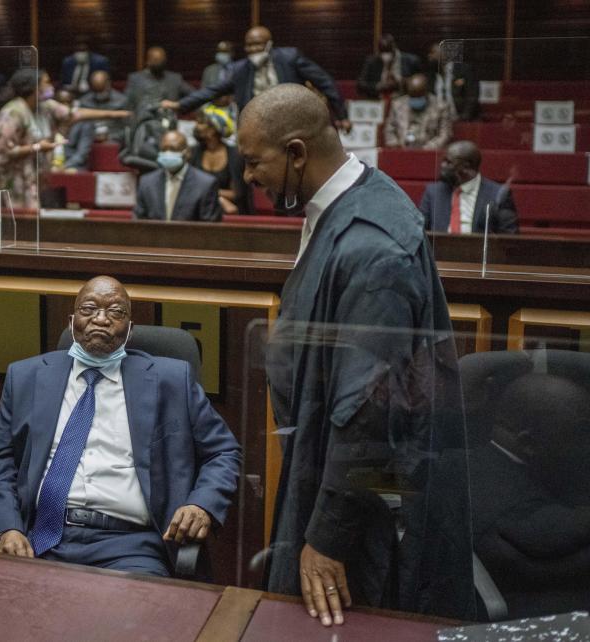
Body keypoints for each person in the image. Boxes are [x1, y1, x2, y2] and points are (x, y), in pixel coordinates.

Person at [237, 85, 474, 625]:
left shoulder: (371, 248)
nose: (248, 178)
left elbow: (369, 412)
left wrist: (327, 538)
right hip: (325, 472)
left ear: (297, 153)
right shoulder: (350, 201)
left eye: (255, 163)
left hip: (361, 514)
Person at [0, 276, 241, 575]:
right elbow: (0, 463)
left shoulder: (171, 381)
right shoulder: (26, 377)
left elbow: (223, 451)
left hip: (132, 546)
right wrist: (8, 529)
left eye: (116, 312)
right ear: (71, 322)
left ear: (129, 329)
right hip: (42, 538)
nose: (101, 319)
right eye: (89, 309)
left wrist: (202, 504)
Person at [469, 373, 590, 618]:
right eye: (580, 433)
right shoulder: (523, 517)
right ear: (529, 443)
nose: (586, 445)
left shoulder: (459, 465)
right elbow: (556, 539)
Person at [0, 70, 129, 209]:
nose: (50, 85)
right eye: (46, 82)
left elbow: (74, 113)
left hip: (27, 176)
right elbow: (5, 150)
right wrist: (38, 147)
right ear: (33, 87)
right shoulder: (13, 112)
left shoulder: (44, 106)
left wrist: (116, 114)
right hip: (2, 176)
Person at [163, 27, 350, 132]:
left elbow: (324, 81)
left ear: (269, 44)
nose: (253, 49)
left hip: (293, 120)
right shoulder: (240, 69)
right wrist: (180, 105)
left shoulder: (289, 58)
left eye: (258, 44)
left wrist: (341, 115)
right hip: (258, 125)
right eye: (249, 45)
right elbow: (213, 90)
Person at [419, 141, 517, 234]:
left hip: (479, 251)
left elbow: (509, 238)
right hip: (438, 250)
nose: (442, 165)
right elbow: (420, 232)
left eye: (449, 162)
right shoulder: (433, 192)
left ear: (466, 167)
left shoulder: (498, 195)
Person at [134, 131, 222, 222]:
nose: (168, 153)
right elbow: (139, 224)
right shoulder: (147, 183)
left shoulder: (205, 184)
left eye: (173, 149)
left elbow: (210, 228)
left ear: (187, 152)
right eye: (164, 149)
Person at [189, 112, 251, 215]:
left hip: (230, 210)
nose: (196, 126)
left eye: (201, 123)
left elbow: (237, 193)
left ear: (213, 130)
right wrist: (219, 198)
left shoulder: (234, 155)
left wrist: (209, 193)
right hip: (198, 207)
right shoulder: (194, 152)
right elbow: (189, 187)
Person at [383, 74, 453, 149]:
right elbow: (389, 129)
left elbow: (445, 134)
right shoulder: (397, 105)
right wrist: (395, 144)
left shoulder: (441, 107)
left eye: (419, 96)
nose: (416, 98)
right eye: (413, 96)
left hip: (429, 151)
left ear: (426, 92)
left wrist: (427, 149)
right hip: (402, 149)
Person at [125, 47, 194, 113]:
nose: (159, 63)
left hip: (170, 119)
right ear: (148, 61)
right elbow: (127, 103)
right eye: (155, 60)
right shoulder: (136, 79)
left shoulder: (175, 79)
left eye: (161, 60)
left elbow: (193, 96)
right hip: (143, 120)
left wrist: (177, 105)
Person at [356, 34, 422, 99]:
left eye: (388, 51)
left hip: (403, 100)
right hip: (378, 100)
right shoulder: (372, 61)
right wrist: (377, 86)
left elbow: (421, 83)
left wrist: (400, 82)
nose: (386, 55)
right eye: (382, 51)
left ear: (394, 48)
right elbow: (361, 84)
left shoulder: (411, 61)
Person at [426, 43, 479, 121]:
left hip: (458, 118)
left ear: (444, 55)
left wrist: (464, 117)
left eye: (433, 53)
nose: (429, 56)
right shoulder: (430, 75)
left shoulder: (464, 70)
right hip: (435, 119)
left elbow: (472, 95)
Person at [78, 70, 129, 144]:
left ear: (108, 84)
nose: (99, 95)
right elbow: (80, 127)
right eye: (96, 91)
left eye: (102, 91)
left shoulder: (122, 101)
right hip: (89, 138)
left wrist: (111, 136)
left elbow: (128, 129)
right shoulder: (84, 101)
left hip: (115, 139)